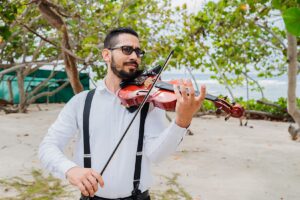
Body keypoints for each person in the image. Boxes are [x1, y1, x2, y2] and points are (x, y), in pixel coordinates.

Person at [39, 27, 206, 200]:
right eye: (127, 49)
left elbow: (157, 155)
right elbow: (48, 146)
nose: (134, 56)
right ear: (106, 55)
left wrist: (182, 120)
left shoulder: (148, 102)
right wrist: (70, 169)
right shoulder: (80, 102)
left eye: (138, 52)